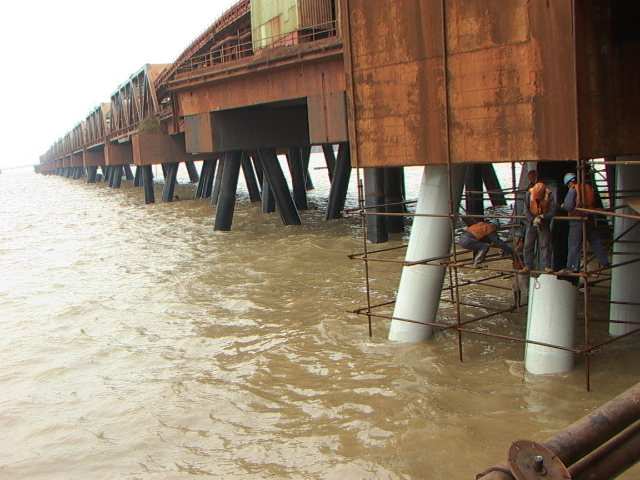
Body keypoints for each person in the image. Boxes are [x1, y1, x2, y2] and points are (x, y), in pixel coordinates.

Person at [560, 173, 610, 273]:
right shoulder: (587, 187)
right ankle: (605, 262)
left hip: (577, 220)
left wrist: (563, 206)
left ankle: (572, 267)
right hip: (589, 218)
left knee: (574, 244)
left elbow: (569, 206)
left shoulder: (573, 190)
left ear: (569, 183)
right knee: (595, 241)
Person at [521, 181, 556, 273]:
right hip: (532, 222)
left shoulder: (549, 195)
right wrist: (532, 220)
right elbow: (526, 210)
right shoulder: (529, 194)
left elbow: (553, 211)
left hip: (543, 222)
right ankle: (528, 265)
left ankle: (547, 266)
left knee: (546, 244)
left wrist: (543, 217)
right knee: (528, 245)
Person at [511, 227, 528, 308]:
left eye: (517, 237)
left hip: (522, 270)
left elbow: (517, 256)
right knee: (515, 287)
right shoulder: (519, 246)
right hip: (518, 270)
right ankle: (516, 304)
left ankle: (530, 304)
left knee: (525, 289)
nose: (515, 238)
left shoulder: (522, 247)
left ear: (521, 238)